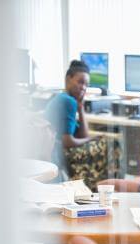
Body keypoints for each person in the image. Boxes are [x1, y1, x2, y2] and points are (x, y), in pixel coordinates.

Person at [45, 60, 120, 190]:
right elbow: (68, 141)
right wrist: (92, 138)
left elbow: (82, 134)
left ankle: (98, 187)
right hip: (62, 151)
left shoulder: (64, 98)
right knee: (113, 143)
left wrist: (81, 108)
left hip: (55, 150)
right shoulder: (68, 102)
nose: (83, 87)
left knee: (102, 140)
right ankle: (101, 188)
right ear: (68, 79)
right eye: (80, 82)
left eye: (86, 84)